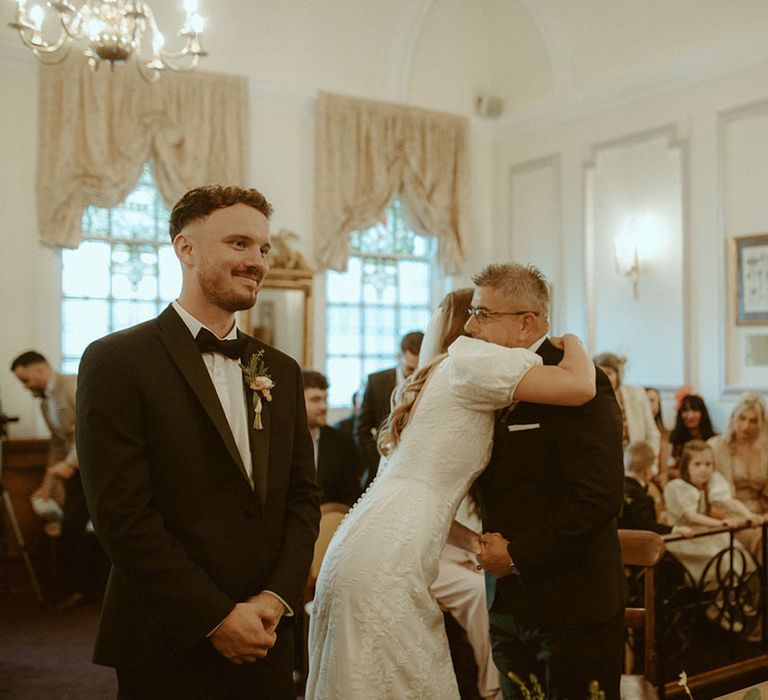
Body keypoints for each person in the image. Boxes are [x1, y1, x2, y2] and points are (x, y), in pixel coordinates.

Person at [76, 185, 321, 699]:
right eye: (238, 243)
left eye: (262, 248)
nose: (256, 260)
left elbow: (301, 499)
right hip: (167, 636)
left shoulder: (279, 370)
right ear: (186, 249)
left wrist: (274, 599)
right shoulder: (117, 360)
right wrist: (216, 617)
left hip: (266, 632)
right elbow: (121, 515)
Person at [306, 276, 597, 699]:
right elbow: (581, 385)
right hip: (388, 561)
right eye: (477, 313)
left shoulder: (437, 375)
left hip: (362, 546)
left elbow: (421, 498)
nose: (480, 324)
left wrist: (474, 542)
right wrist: (572, 339)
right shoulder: (472, 359)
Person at [469, 263, 626, 700]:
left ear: (526, 324)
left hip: (571, 607)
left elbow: (598, 497)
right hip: (506, 606)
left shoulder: (582, 383)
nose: (470, 326)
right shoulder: (489, 380)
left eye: (483, 314)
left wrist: (518, 556)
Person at [423, 289, 501, 700]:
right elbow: (430, 501)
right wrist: (472, 548)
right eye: (479, 316)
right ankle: (494, 690)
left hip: (455, 532)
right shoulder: (455, 386)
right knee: (478, 590)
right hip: (431, 544)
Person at [11, 351, 97, 607]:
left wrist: (71, 464)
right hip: (73, 473)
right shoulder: (43, 402)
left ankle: (86, 592)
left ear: (39, 369)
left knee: (76, 529)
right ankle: (79, 590)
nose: (26, 387)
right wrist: (47, 485)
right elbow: (57, 444)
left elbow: (88, 429)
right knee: (71, 530)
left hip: (90, 468)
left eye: (25, 380)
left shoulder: (71, 385)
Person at [664, 440, 759, 586]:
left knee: (737, 552)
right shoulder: (677, 488)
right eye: (697, 464)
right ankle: (715, 599)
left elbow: (728, 501)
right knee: (723, 559)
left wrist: (748, 515)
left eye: (708, 464)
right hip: (684, 538)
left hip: (704, 535)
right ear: (686, 467)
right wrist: (719, 523)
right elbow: (690, 516)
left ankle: (730, 597)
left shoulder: (712, 482)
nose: (704, 469)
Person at [355, 330, 423, 487]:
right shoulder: (376, 382)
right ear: (399, 357)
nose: (414, 377)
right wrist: (379, 462)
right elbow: (361, 431)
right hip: (379, 471)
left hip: (416, 472)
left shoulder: (428, 381)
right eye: (410, 369)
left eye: (419, 369)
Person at [709, 393, 768, 556]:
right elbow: (711, 497)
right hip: (730, 516)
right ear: (733, 417)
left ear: (762, 424)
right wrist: (743, 517)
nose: (745, 426)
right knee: (763, 539)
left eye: (753, 421)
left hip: (761, 515)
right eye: (741, 418)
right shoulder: (715, 447)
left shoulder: (765, 450)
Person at [302, 370, 363, 507]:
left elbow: (353, 495)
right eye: (315, 400)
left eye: (325, 399)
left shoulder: (342, 442)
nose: (323, 407)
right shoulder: (281, 441)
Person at [619, 441, 691, 537]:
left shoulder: (618, 488)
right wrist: (674, 529)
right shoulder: (639, 495)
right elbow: (646, 526)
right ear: (646, 468)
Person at [668, 391, 716, 479]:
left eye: (694, 410)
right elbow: (668, 469)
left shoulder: (713, 440)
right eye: (686, 411)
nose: (690, 415)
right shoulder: (674, 439)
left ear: (702, 413)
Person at [645, 386, 671, 487]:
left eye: (653, 401)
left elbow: (663, 472)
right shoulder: (630, 433)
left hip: (653, 482)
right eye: (647, 400)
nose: (649, 404)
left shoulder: (662, 436)